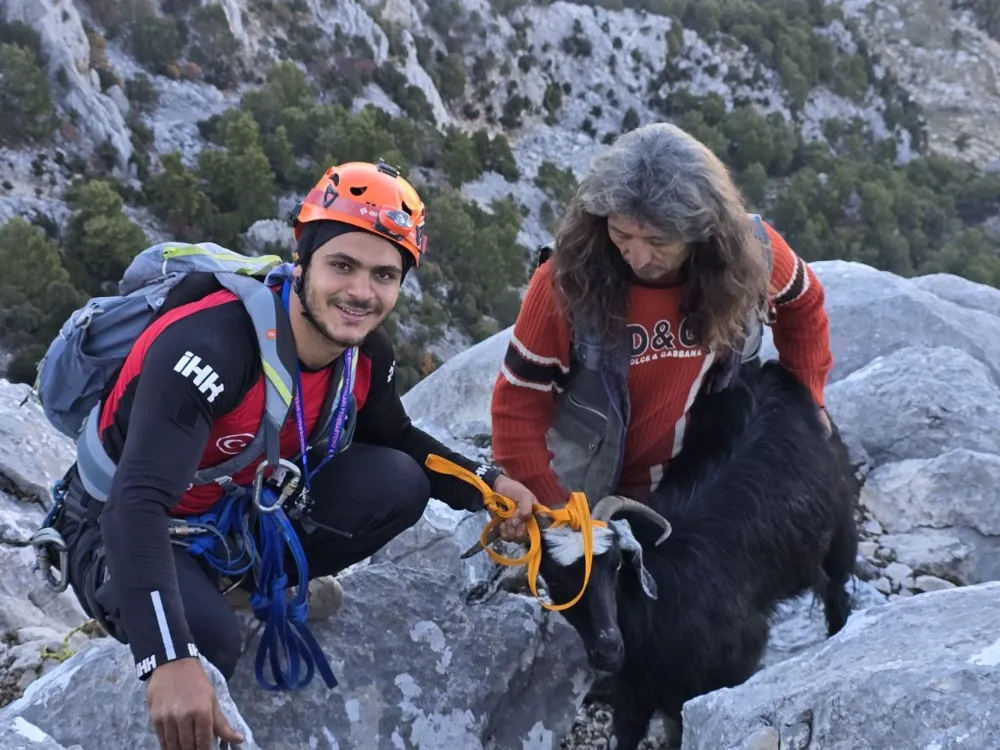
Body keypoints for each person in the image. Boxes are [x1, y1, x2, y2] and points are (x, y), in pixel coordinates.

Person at [55, 159, 536, 750]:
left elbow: (399, 439)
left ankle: (233, 587)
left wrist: (488, 485)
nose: (361, 293)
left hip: (229, 520)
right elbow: (135, 503)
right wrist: (169, 656)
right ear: (302, 259)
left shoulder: (363, 355)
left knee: (399, 482)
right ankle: (192, 606)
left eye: (385, 275)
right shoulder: (212, 347)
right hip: (114, 527)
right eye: (343, 265)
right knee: (207, 645)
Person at [490, 122, 834, 509]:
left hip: (697, 482)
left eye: (659, 241)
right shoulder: (567, 280)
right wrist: (555, 514)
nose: (636, 257)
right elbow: (517, 404)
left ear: (704, 232)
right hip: (585, 489)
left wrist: (809, 399)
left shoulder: (751, 253)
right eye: (620, 233)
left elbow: (804, 300)